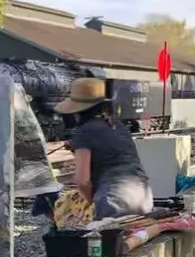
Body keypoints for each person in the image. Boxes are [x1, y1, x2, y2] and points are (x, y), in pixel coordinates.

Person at [56, 78, 153, 219]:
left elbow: (83, 181)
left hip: (112, 202)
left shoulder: (83, 132)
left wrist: (89, 207)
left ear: (76, 111)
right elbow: (111, 151)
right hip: (143, 198)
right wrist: (77, 145)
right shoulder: (118, 125)